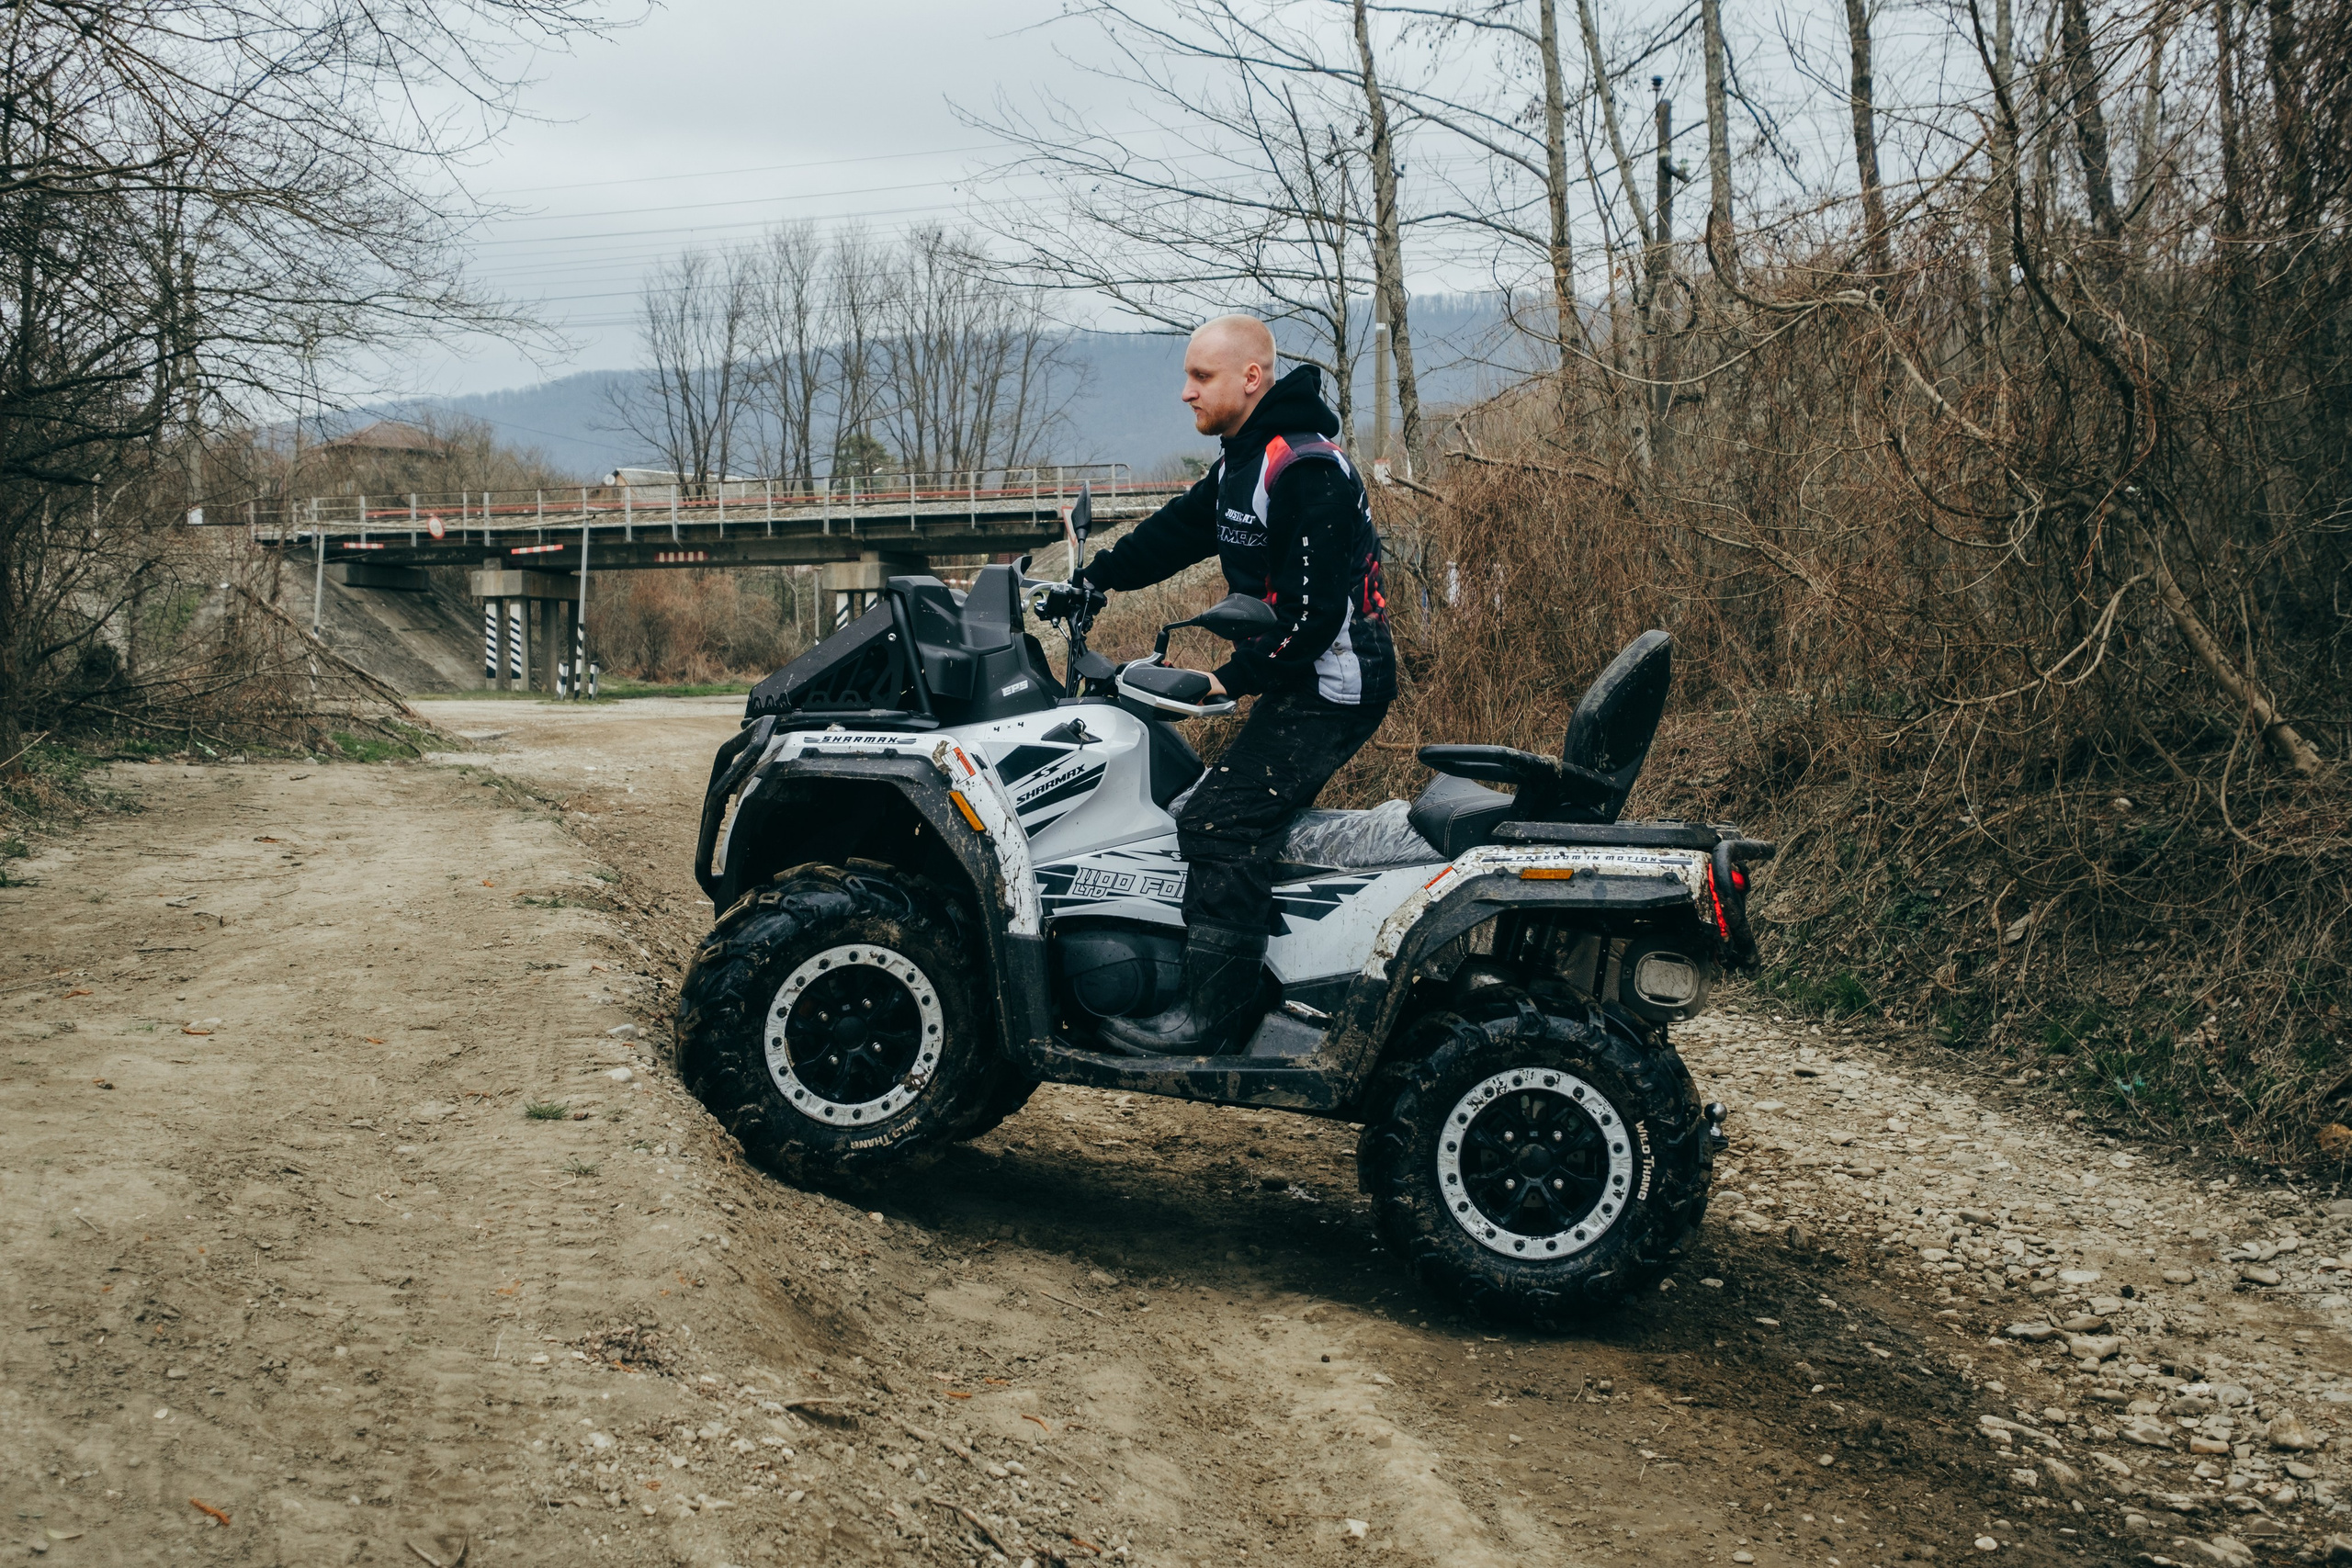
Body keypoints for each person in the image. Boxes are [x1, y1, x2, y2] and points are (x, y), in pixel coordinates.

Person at [1075, 314, 1394, 1055]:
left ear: (1252, 378)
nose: (1186, 392)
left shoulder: (1306, 468)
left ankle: (1217, 1015)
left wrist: (1231, 678)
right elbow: (1183, 528)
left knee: (1220, 819)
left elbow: (1313, 617)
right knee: (1199, 795)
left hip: (1336, 683)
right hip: (1301, 673)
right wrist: (1097, 578)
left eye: (1202, 377)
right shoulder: (1243, 460)